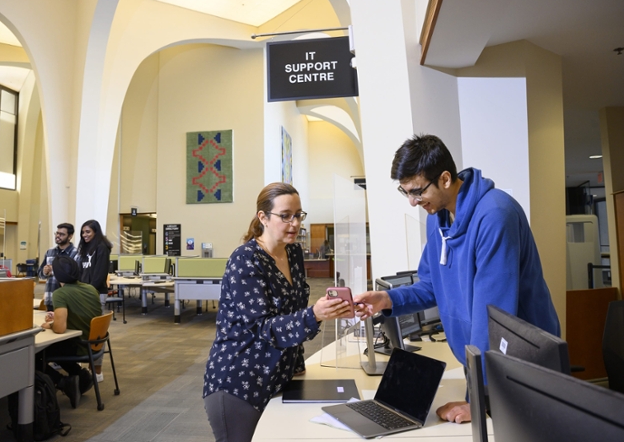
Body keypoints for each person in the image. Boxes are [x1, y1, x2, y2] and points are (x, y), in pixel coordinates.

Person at [354, 134, 560, 424]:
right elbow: (430, 284)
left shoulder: (495, 215)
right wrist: (387, 299)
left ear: (446, 179)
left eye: (417, 191)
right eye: (406, 193)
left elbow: (493, 316)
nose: (413, 202)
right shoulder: (437, 218)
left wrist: (478, 401)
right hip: (487, 365)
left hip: (523, 366)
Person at [203, 183, 354, 442]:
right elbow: (264, 328)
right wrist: (315, 314)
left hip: (279, 377)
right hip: (240, 382)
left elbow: (291, 309)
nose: (294, 223)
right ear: (263, 217)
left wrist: (296, 365)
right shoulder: (245, 260)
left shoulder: (292, 251)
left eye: (298, 215)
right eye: (285, 215)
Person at [38, 255, 102, 409]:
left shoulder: (61, 293)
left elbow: (60, 329)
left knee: (37, 355)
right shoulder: (90, 288)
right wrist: (58, 317)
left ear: (57, 274)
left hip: (79, 345)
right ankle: (82, 376)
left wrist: (50, 325)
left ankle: (64, 383)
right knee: (55, 347)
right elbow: (80, 312)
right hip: (94, 343)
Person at [76, 219, 112, 382]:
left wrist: (87, 292)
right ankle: (82, 366)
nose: (85, 235)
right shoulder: (83, 249)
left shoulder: (102, 248)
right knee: (82, 329)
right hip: (83, 294)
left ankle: (97, 370)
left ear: (96, 232)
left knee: (97, 333)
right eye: (83, 232)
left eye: (88, 232)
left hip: (96, 294)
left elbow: (99, 275)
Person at [38, 223, 78, 311]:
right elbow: (40, 274)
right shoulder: (50, 252)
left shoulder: (75, 253)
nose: (58, 236)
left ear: (70, 236)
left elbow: (74, 276)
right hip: (50, 297)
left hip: (66, 298)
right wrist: (44, 272)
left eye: (62, 234)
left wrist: (53, 271)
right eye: (57, 233)